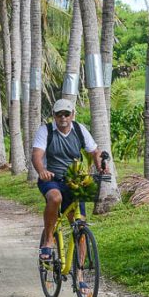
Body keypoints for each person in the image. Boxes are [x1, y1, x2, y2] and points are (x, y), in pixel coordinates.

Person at [31, 99, 107, 270]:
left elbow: (94, 151)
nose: (63, 117)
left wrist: (101, 165)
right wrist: (42, 170)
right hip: (52, 179)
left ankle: (80, 276)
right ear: (54, 116)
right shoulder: (46, 131)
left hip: (76, 180)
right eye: (59, 114)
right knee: (55, 198)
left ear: (72, 114)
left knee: (80, 225)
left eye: (66, 114)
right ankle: (49, 239)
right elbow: (36, 155)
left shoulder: (80, 129)